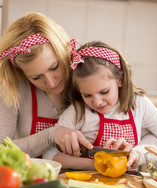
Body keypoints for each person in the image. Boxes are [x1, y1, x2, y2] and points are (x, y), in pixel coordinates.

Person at [43, 38, 157, 170]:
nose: (97, 102)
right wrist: (94, 165)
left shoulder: (139, 104)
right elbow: (49, 153)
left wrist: (138, 154)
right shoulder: (77, 112)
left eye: (104, 92)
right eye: (87, 95)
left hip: (128, 184)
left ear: (120, 80)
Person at [0, 12, 93, 158]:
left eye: (54, 67)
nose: (50, 82)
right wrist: (51, 135)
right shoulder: (13, 87)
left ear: (63, 51)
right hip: (34, 178)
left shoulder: (86, 74)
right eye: (36, 77)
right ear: (21, 73)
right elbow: (1, 150)